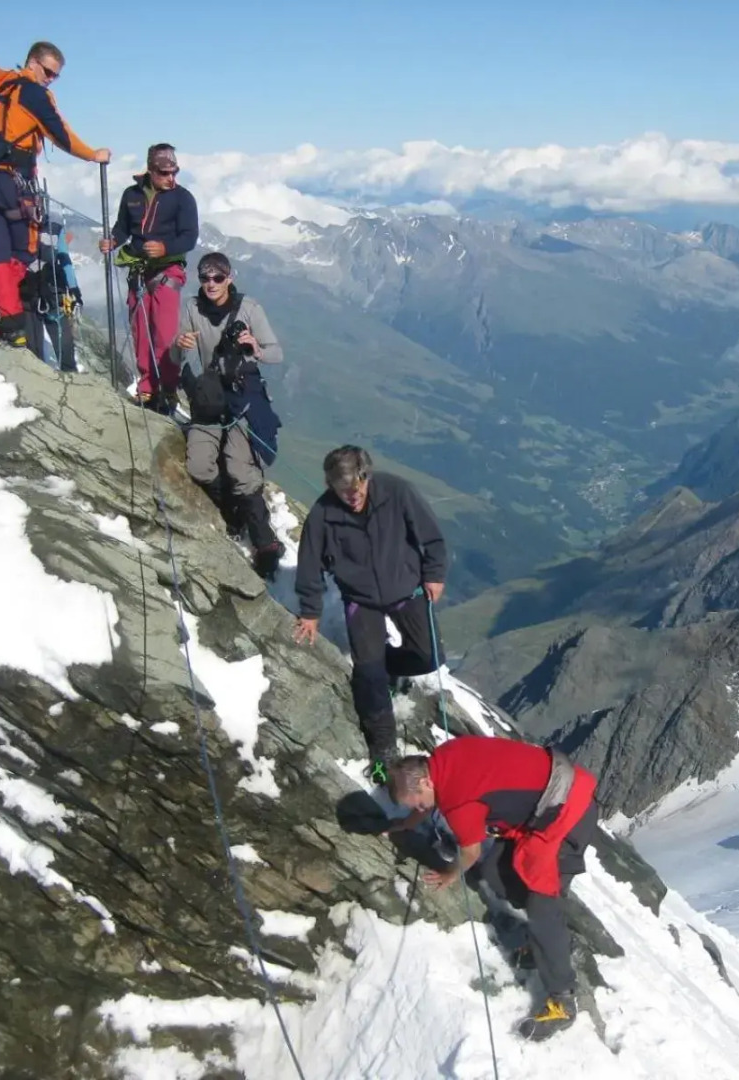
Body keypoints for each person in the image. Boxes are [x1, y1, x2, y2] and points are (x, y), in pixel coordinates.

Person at [387, 738, 599, 1041]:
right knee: (495, 871)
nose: (421, 808)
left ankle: (562, 1000)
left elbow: (470, 853)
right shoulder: (444, 755)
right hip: (551, 798)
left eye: (418, 801)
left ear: (424, 779)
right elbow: (434, 800)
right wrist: (407, 823)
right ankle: (551, 944)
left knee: (542, 905)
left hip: (568, 812)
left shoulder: (456, 800)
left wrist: (449, 874)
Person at [293, 447, 447, 778]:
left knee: (429, 656)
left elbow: (430, 535)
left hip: (407, 589)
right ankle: (384, 750)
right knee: (369, 673)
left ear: (366, 477)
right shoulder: (322, 514)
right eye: (343, 491)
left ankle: (389, 665)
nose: (351, 497)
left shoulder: (397, 492)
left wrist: (434, 573)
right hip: (360, 600)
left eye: (357, 489)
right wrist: (310, 611)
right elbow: (308, 564)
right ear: (330, 485)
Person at [0, 42, 110, 348]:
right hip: (13, 183)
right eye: (48, 71)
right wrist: (93, 155)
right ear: (33, 62)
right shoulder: (30, 92)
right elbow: (59, 133)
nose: (50, 79)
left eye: (56, 75)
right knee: (22, 252)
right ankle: (8, 322)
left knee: (0, 251)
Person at [172, 252, 284, 577]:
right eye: (205, 277)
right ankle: (230, 511)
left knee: (239, 467)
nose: (210, 284)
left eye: (217, 278)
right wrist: (180, 345)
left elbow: (276, 353)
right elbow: (176, 355)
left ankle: (265, 543)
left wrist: (256, 348)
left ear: (229, 278)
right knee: (199, 465)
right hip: (210, 397)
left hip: (242, 400)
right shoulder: (192, 308)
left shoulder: (249, 309)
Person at [99, 144, 199, 413]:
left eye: (174, 172)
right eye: (165, 173)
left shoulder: (183, 199)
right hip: (139, 272)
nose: (171, 178)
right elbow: (123, 227)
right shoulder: (131, 195)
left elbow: (190, 236)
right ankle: (146, 388)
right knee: (141, 332)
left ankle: (167, 390)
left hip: (167, 271)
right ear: (151, 170)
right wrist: (114, 241)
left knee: (164, 336)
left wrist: (166, 248)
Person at [22, 216, 81, 372]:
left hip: (49, 291)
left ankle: (67, 373)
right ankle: (44, 378)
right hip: (33, 292)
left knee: (63, 348)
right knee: (35, 349)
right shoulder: (53, 229)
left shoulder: (55, 229)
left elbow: (64, 257)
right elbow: (64, 258)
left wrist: (74, 288)